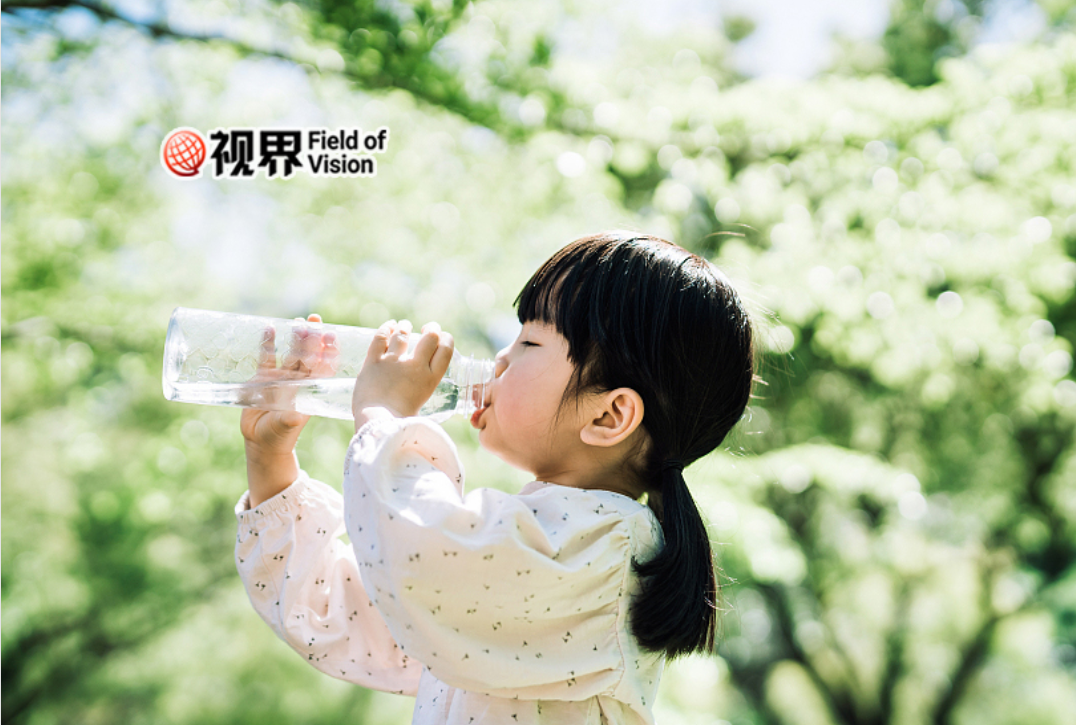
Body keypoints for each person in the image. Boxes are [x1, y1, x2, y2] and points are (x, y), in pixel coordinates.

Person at [234, 231, 757, 723]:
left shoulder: (605, 547)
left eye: (529, 343)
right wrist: (270, 458)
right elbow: (336, 616)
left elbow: (420, 559)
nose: (500, 359)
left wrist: (384, 415)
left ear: (608, 416)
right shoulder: (527, 548)